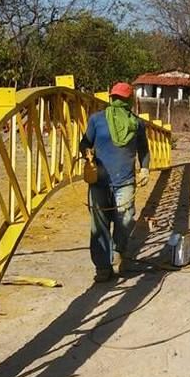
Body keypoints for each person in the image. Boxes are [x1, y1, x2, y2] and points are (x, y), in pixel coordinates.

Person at [79, 81, 150, 282]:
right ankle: (102, 267)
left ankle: (119, 251)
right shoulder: (97, 120)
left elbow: (144, 149)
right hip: (99, 180)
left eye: (122, 98)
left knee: (126, 219)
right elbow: (85, 142)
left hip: (125, 180)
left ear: (129, 101)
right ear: (111, 98)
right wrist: (87, 153)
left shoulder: (136, 124)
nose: (118, 101)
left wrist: (145, 168)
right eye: (115, 98)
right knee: (99, 225)